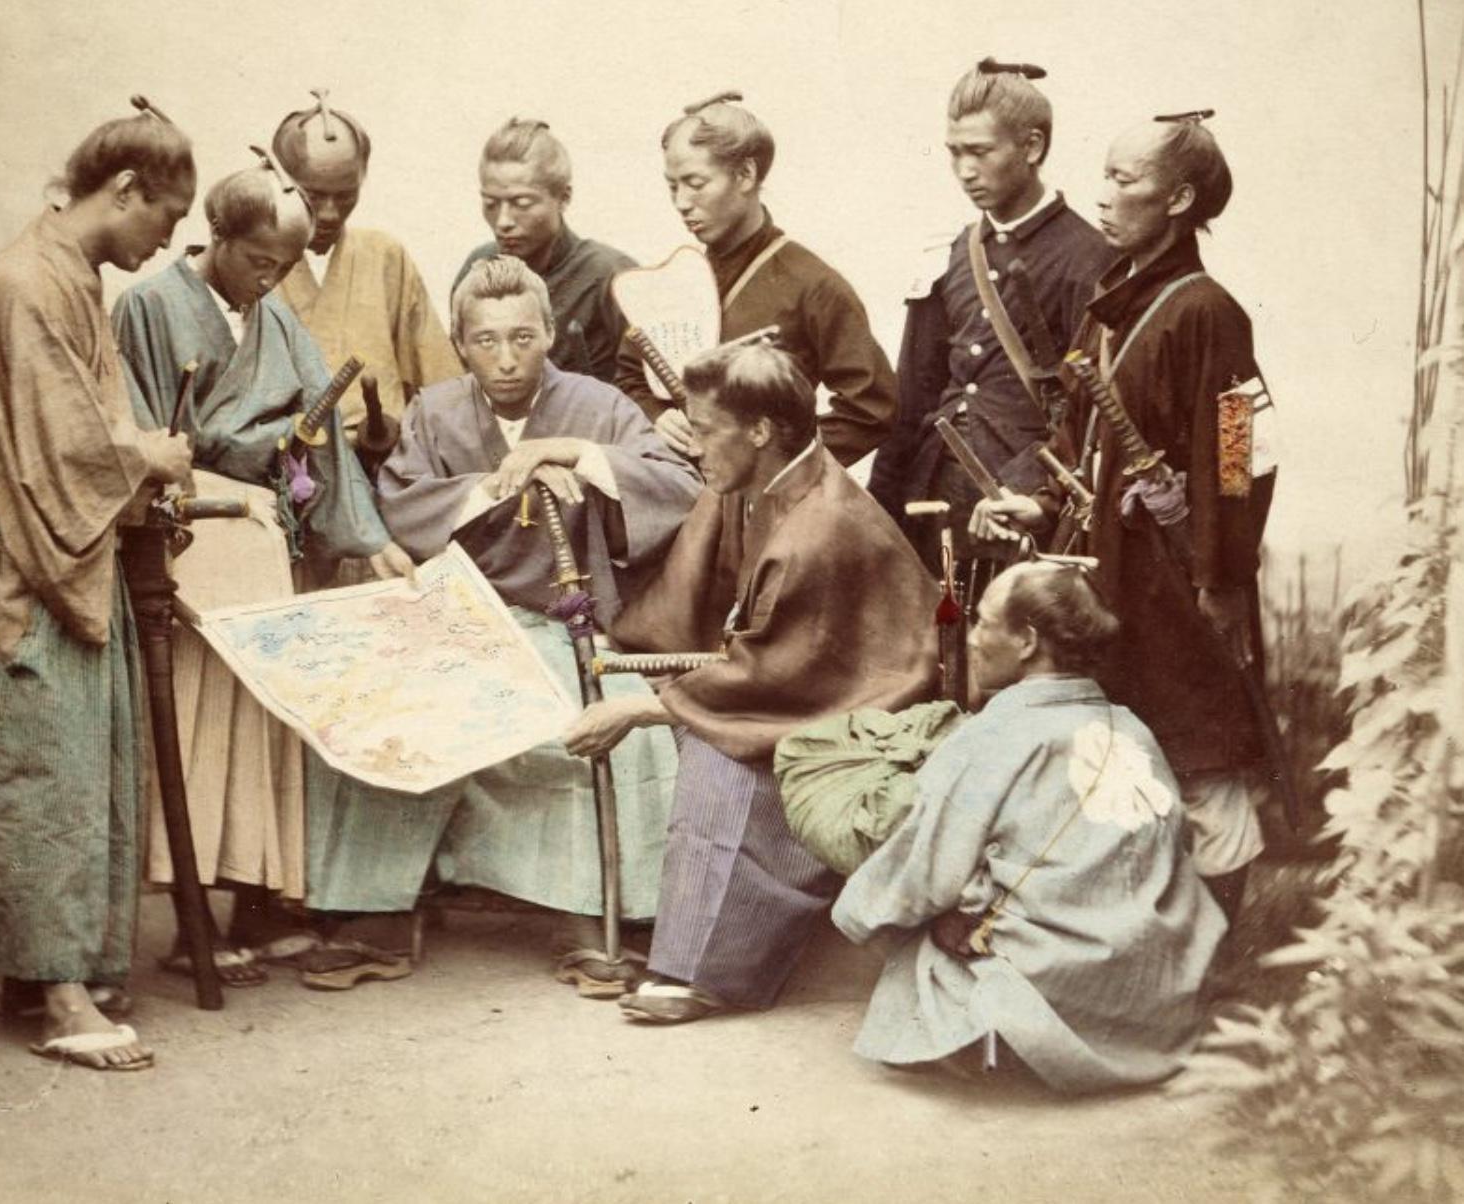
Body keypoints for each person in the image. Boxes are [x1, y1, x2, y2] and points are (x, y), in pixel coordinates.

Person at [0, 105, 198, 1072]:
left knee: (76, 759)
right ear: (125, 190)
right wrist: (149, 455)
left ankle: (46, 972)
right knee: (38, 769)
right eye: (167, 219)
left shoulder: (70, 272)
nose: (167, 244)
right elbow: (65, 444)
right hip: (23, 554)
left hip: (58, 541)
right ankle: (60, 998)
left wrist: (137, 457)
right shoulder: (29, 281)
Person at [302, 256, 701, 994]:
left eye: (523, 337)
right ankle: (377, 910)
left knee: (597, 723)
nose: (507, 358)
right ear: (460, 344)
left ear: (550, 334)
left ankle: (585, 910)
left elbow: (680, 486)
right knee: (378, 708)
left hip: (567, 621)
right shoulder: (435, 411)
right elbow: (402, 504)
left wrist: (578, 455)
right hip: (459, 619)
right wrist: (497, 485)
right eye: (486, 340)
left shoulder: (602, 406)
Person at [567, 341, 937, 1023]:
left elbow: (772, 680)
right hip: (803, 684)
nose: (694, 446)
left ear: (761, 431)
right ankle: (681, 945)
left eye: (706, 430)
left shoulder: (816, 527)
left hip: (865, 712)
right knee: (692, 728)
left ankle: (707, 971)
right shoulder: (773, 482)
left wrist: (642, 709)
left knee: (721, 757)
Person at [111, 155, 415, 986]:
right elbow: (140, 434)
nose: (269, 281)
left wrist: (365, 534)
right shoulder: (148, 307)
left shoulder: (272, 313)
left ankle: (256, 902)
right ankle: (190, 922)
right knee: (194, 729)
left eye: (282, 267)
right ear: (217, 236)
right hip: (191, 533)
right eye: (256, 262)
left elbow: (321, 422)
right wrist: (210, 487)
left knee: (261, 728)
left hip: (265, 541)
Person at [973, 113, 1276, 917]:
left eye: (1125, 179)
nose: (1104, 196)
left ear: (1179, 199)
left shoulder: (1207, 311)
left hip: (1180, 580)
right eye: (1105, 176)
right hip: (1111, 571)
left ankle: (1220, 954)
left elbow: (1239, 454)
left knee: (1201, 756)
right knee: (1124, 759)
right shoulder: (1110, 307)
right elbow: (1075, 433)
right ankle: (1146, 940)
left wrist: (1221, 576)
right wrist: (1039, 500)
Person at [833, 562, 1225, 1093]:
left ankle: (1021, 1045)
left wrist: (863, 912)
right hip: (1161, 984)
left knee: (923, 940)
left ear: (1027, 641)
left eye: (983, 622)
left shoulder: (993, 735)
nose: (972, 638)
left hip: (1057, 981)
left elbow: (922, 874)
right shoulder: (1133, 727)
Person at [867, 59, 1112, 573]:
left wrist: (1031, 492)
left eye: (980, 152)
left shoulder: (1089, 258)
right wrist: (880, 512)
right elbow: (912, 394)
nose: (964, 171)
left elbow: (1089, 411)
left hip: (1022, 509)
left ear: (1032, 147)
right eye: (955, 152)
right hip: (932, 500)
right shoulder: (955, 252)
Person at [612, 92, 898, 466]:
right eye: (672, 186)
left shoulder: (813, 285)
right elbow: (630, 378)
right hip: (679, 486)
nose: (681, 202)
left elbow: (870, 409)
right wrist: (657, 415)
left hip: (766, 497)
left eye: (695, 183)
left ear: (746, 174)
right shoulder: (674, 282)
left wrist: (781, 468)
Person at [272, 89, 462, 448]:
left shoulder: (386, 257)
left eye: (346, 195)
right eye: (313, 196)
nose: (330, 213)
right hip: (287, 460)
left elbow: (445, 387)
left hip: (386, 460)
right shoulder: (254, 267)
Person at [456, 117, 636, 382]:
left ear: (563, 197)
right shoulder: (478, 268)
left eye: (521, 203)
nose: (503, 221)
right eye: (491, 204)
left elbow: (644, 387)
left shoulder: (612, 275)